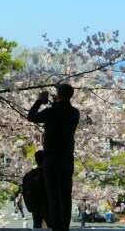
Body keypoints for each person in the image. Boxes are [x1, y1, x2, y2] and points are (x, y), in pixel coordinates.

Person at [27, 84, 80, 231]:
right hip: (67, 158)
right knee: (65, 194)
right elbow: (62, 112)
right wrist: (57, 102)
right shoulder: (75, 112)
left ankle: (57, 227)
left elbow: (31, 117)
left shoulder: (51, 112)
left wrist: (39, 101)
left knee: (53, 195)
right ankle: (64, 227)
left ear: (59, 94)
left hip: (51, 158)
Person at [22, 150, 49, 229]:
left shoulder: (28, 175)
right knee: (51, 226)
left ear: (36, 160)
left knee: (36, 226)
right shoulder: (47, 174)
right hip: (48, 206)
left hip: (34, 206)